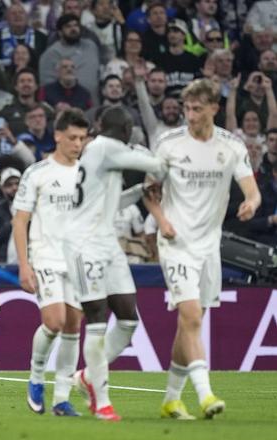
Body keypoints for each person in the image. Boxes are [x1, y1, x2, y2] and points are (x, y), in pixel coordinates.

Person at [143, 79, 261, 420]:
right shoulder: (168, 144)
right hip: (176, 243)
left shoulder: (231, 146)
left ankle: (171, 400)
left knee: (189, 323)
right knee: (192, 316)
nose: (191, 115)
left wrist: (251, 203)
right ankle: (206, 395)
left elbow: (252, 190)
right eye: (187, 109)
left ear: (214, 108)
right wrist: (162, 221)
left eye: (197, 109)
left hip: (209, 246)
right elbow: (149, 191)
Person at [63, 107, 166, 421]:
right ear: (125, 128)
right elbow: (158, 166)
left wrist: (138, 192)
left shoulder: (100, 154)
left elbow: (109, 203)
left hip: (107, 243)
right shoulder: (106, 147)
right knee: (96, 319)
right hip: (83, 245)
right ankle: (102, 401)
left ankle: (87, 377)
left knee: (127, 319)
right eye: (130, 129)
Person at [13, 109, 90, 417]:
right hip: (46, 256)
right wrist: (24, 265)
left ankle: (61, 399)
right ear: (57, 135)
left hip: (78, 260)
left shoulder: (88, 173)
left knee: (73, 325)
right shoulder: (38, 172)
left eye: (82, 138)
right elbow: (20, 221)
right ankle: (35, 378)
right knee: (54, 322)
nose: (77, 144)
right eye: (72, 137)